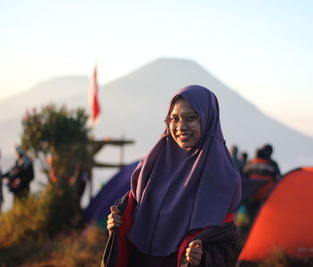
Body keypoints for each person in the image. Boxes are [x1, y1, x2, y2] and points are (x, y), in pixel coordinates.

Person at [102, 85, 242, 267]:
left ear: (208, 120)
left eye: (191, 118)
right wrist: (117, 224)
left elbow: (227, 244)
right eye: (174, 119)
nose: (181, 127)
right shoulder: (152, 165)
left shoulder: (223, 177)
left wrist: (202, 258)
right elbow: (132, 214)